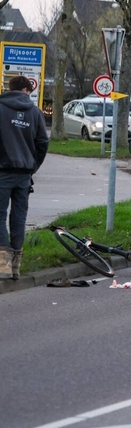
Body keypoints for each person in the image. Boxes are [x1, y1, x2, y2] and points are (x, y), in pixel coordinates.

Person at [0, 75, 49, 280]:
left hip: (2, 172)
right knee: (19, 218)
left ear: (9, 88)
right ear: (27, 90)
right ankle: (16, 268)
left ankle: (3, 266)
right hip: (24, 175)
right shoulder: (36, 113)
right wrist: (32, 166)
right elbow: (42, 143)